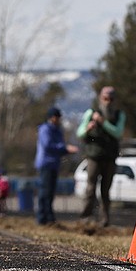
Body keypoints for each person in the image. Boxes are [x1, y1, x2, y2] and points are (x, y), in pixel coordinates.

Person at [76, 86, 125, 227]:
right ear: (100, 98)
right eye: (105, 98)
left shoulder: (119, 115)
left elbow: (118, 132)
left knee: (106, 190)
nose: (108, 101)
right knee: (90, 188)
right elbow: (79, 133)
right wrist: (88, 128)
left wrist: (103, 122)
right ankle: (86, 216)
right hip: (93, 157)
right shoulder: (90, 113)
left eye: (110, 99)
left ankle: (105, 219)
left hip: (110, 157)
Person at [34, 107, 77, 226]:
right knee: (45, 191)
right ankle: (43, 217)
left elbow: (59, 146)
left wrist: (66, 149)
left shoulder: (58, 130)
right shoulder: (45, 129)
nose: (58, 120)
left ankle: (48, 217)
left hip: (54, 164)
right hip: (45, 163)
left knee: (50, 192)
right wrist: (64, 148)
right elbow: (48, 145)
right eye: (57, 117)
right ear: (52, 118)